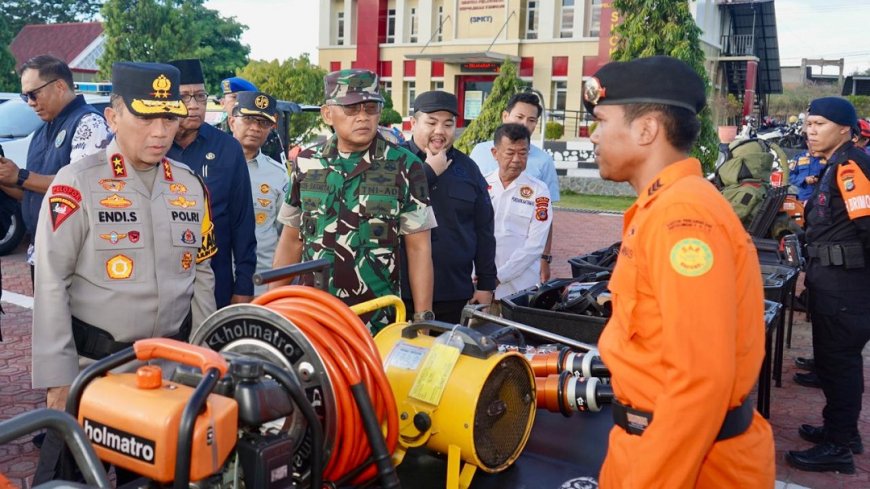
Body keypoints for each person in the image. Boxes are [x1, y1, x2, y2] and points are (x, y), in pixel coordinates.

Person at [586, 56, 774, 487]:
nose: (593, 135)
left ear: (646, 129)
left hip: (685, 464)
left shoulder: (681, 216)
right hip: (652, 447)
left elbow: (699, 382)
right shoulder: (664, 207)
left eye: (600, 121)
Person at [30, 63, 217, 482]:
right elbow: (51, 281)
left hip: (168, 376)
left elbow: (202, 274)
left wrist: (205, 359)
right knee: (73, 480)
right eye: (146, 116)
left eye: (169, 117)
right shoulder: (77, 182)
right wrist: (58, 380)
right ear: (113, 117)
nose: (160, 131)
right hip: (92, 373)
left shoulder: (189, 185)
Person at [272, 69, 436, 332]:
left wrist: (422, 321)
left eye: (371, 108)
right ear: (327, 114)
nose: (363, 117)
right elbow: (292, 239)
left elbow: (419, 249)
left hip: (376, 320)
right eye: (351, 109)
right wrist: (274, 306)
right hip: (313, 315)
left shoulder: (406, 166)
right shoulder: (306, 162)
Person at [785, 97, 870, 474]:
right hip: (833, 281)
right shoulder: (833, 164)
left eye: (819, 123)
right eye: (808, 124)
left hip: (847, 286)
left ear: (844, 128)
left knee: (839, 363)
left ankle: (839, 446)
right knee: (835, 363)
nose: (810, 130)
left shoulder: (851, 166)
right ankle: (843, 431)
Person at [0, 55, 110, 282]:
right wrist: (6, 180)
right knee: (46, 318)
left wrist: (20, 176)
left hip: (76, 257)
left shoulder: (89, 123)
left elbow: (81, 186)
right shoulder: (42, 131)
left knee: (72, 319)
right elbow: (32, 196)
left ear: (59, 86)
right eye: (25, 96)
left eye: (33, 94)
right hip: (41, 251)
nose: (29, 102)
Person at [399, 90, 496, 323]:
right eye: (431, 122)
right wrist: (428, 173)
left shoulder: (468, 168)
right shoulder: (392, 161)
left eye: (448, 124)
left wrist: (486, 284)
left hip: (453, 292)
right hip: (400, 293)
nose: (440, 131)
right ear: (413, 123)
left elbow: (484, 230)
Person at [167, 59, 257, 308]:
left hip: (216, 282)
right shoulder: (154, 147)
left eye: (200, 96)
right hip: (163, 284)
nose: (194, 106)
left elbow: (243, 222)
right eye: (185, 97)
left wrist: (244, 285)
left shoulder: (227, 148)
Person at [470, 92, 560, 282]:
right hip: (478, 276)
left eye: (531, 120)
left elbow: (540, 233)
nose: (516, 160)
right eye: (519, 117)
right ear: (495, 153)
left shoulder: (540, 185)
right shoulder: (480, 164)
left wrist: (545, 258)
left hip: (519, 279)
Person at [228, 91, 289, 295]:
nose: (255, 128)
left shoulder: (278, 175)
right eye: (248, 119)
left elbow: (285, 234)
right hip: (212, 282)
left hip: (259, 285)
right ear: (232, 122)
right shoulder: (212, 165)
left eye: (263, 123)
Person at [486, 123, 552, 301]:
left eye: (523, 153)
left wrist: (499, 276)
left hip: (519, 290)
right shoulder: (482, 185)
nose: (516, 159)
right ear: (495, 153)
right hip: (480, 287)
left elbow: (535, 245)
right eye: (510, 152)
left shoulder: (539, 191)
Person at [219, 76, 286, 163]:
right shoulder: (213, 133)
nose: (239, 102)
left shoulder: (267, 135)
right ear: (223, 102)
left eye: (244, 98)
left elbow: (277, 167)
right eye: (234, 97)